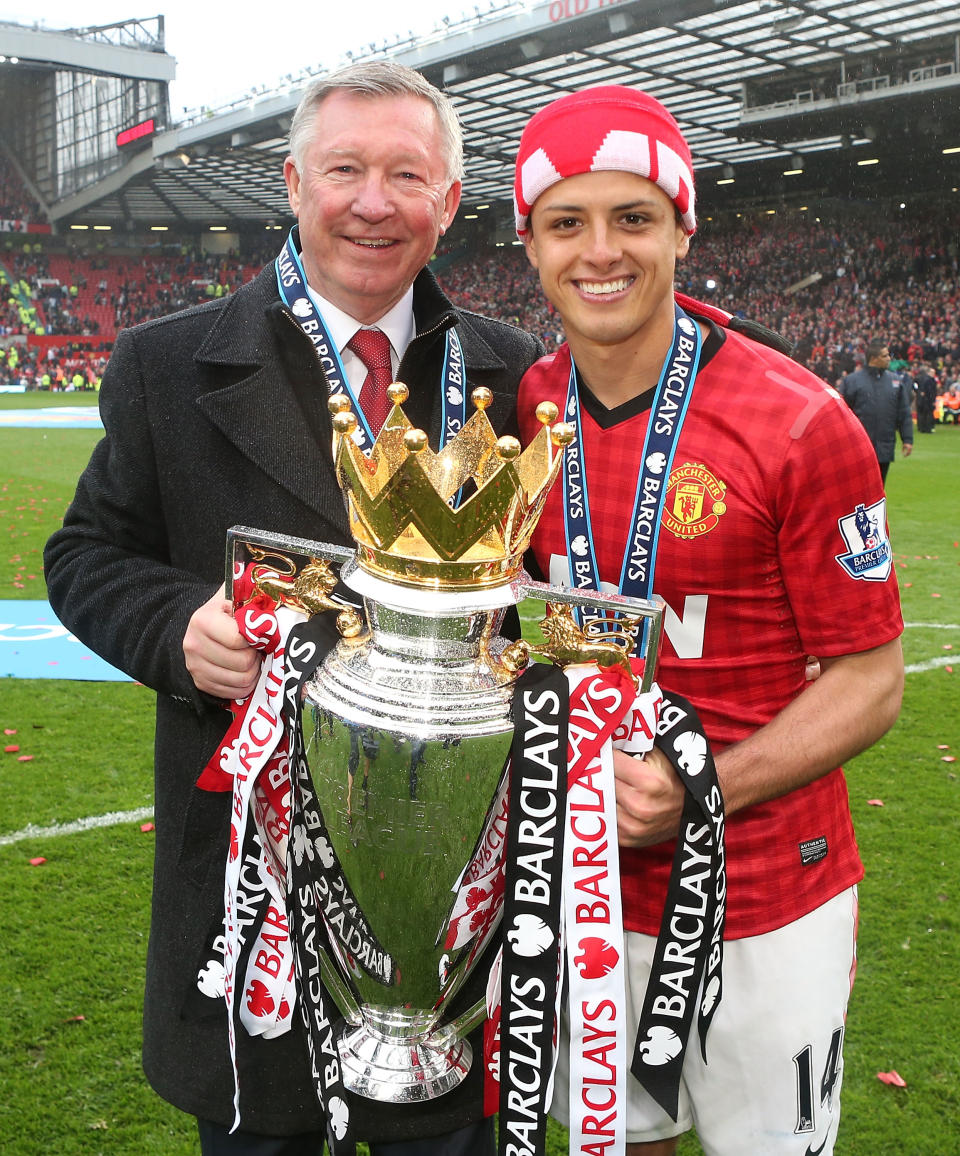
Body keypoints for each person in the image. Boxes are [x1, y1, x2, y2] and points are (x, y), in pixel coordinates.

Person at [44, 61, 544, 1156]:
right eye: (346, 170)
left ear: (449, 201)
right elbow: (83, 556)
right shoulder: (165, 364)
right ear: (293, 184)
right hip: (250, 891)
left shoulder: (517, 376)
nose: (375, 201)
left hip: (459, 906)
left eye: (407, 173)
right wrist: (177, 628)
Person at [512, 86, 905, 1155]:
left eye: (633, 217)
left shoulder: (800, 420)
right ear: (531, 244)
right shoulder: (521, 417)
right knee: (615, 1143)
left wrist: (701, 786)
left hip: (768, 887)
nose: (602, 251)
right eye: (567, 221)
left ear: (684, 227)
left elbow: (872, 678)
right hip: (584, 881)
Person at [839, 340, 914, 481]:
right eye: (885, 356)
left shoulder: (896, 382)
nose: (889, 359)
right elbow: (841, 414)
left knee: (879, 490)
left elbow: (903, 413)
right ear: (874, 359)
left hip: (885, 447)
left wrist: (907, 439)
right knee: (858, 489)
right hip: (858, 448)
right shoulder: (852, 381)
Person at [913, 360, 938, 434]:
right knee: (928, 414)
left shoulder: (918, 378)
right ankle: (928, 428)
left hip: (921, 399)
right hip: (927, 400)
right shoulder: (930, 380)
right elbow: (931, 392)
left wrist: (918, 392)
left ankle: (921, 428)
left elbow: (914, 385)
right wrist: (933, 400)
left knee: (921, 413)